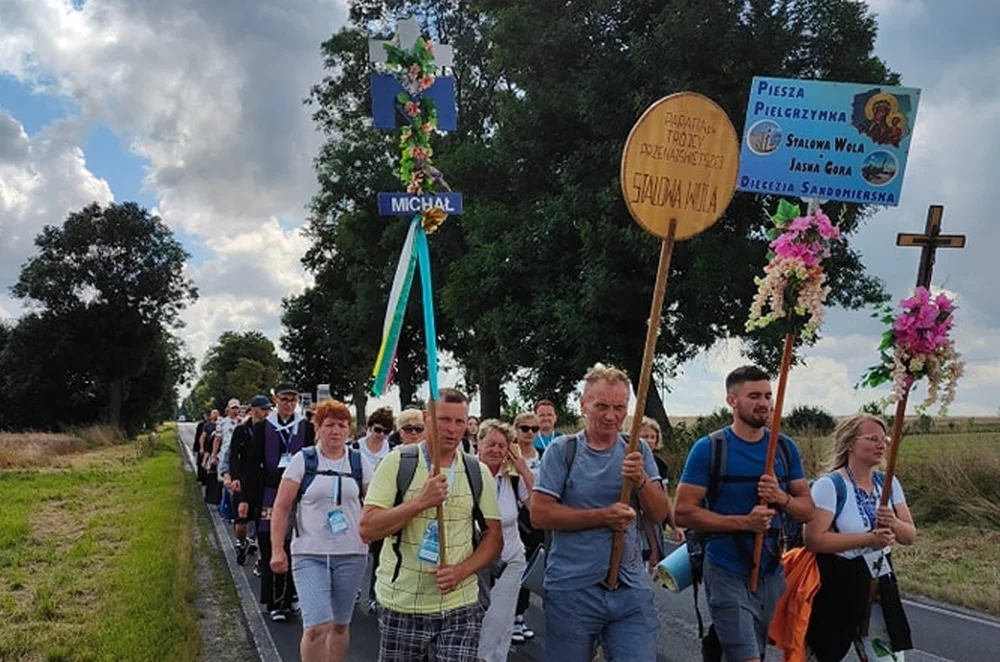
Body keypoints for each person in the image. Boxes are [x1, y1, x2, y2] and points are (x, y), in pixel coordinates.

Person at [674, 365, 814, 662]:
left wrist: (781, 498)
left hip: (771, 572)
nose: (763, 403)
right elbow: (683, 513)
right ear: (731, 401)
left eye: (767, 395)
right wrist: (743, 523)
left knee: (754, 652)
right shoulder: (710, 448)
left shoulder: (784, 448)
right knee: (746, 656)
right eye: (753, 396)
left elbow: (807, 510)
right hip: (725, 566)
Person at [531, 365, 670, 662]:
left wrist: (642, 480)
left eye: (619, 407)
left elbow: (659, 514)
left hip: (630, 587)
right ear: (583, 405)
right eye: (601, 406)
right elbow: (540, 515)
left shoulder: (638, 450)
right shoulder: (562, 450)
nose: (611, 415)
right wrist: (602, 517)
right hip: (572, 589)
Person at [360, 388, 503, 662]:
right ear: (427, 419)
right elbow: (367, 529)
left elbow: (494, 537)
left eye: (459, 422)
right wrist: (419, 503)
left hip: (459, 604)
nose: (452, 429)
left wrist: (461, 571)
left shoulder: (477, 470)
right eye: (444, 420)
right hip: (402, 603)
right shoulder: (397, 463)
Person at [803, 413, 916, 662]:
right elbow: (814, 540)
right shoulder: (830, 486)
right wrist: (868, 539)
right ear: (850, 443)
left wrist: (893, 522)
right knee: (824, 655)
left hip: (879, 584)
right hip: (837, 586)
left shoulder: (888, 483)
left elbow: (909, 535)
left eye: (884, 439)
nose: (881, 445)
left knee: (889, 660)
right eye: (872, 438)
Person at [269, 399, 373, 662]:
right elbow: (281, 507)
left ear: (349, 430)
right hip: (309, 553)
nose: (335, 431)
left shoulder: (360, 463)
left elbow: (374, 505)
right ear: (318, 428)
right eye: (329, 425)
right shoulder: (302, 460)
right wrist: (277, 549)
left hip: (352, 553)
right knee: (316, 626)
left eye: (342, 425)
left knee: (340, 624)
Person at [241, 381, 316, 622]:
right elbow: (251, 465)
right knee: (270, 543)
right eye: (284, 399)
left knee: (297, 543)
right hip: (270, 492)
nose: (288, 404)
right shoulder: (263, 428)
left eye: (293, 400)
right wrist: (245, 499)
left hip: (297, 493)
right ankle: (274, 601)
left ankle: (292, 596)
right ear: (276, 400)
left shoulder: (305, 428)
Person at [476, 419, 534, 662]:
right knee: (485, 620)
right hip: (476, 562)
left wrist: (522, 468)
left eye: (503, 446)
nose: (497, 450)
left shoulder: (511, 477)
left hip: (510, 558)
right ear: (478, 443)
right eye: (491, 444)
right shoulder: (468, 473)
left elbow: (537, 506)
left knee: (503, 620)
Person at [636, 416, 684, 574]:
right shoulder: (630, 459)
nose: (649, 441)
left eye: (652, 437)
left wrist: (675, 525)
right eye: (644, 437)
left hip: (653, 521)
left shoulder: (660, 464)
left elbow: (664, 499)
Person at [512, 410, 543, 643]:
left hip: (537, 517)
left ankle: (520, 614)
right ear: (516, 429)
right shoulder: (510, 454)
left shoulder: (542, 455)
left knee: (532, 567)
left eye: (534, 429)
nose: (530, 433)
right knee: (514, 567)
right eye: (525, 428)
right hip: (516, 517)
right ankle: (511, 616)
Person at [229, 395, 271, 565]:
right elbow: (233, 456)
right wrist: (235, 477)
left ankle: (262, 558)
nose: (267, 412)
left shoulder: (270, 430)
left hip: (264, 481)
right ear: (254, 410)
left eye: (269, 409)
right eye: (263, 409)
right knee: (241, 518)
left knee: (264, 520)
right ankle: (242, 542)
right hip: (245, 478)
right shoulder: (242, 430)